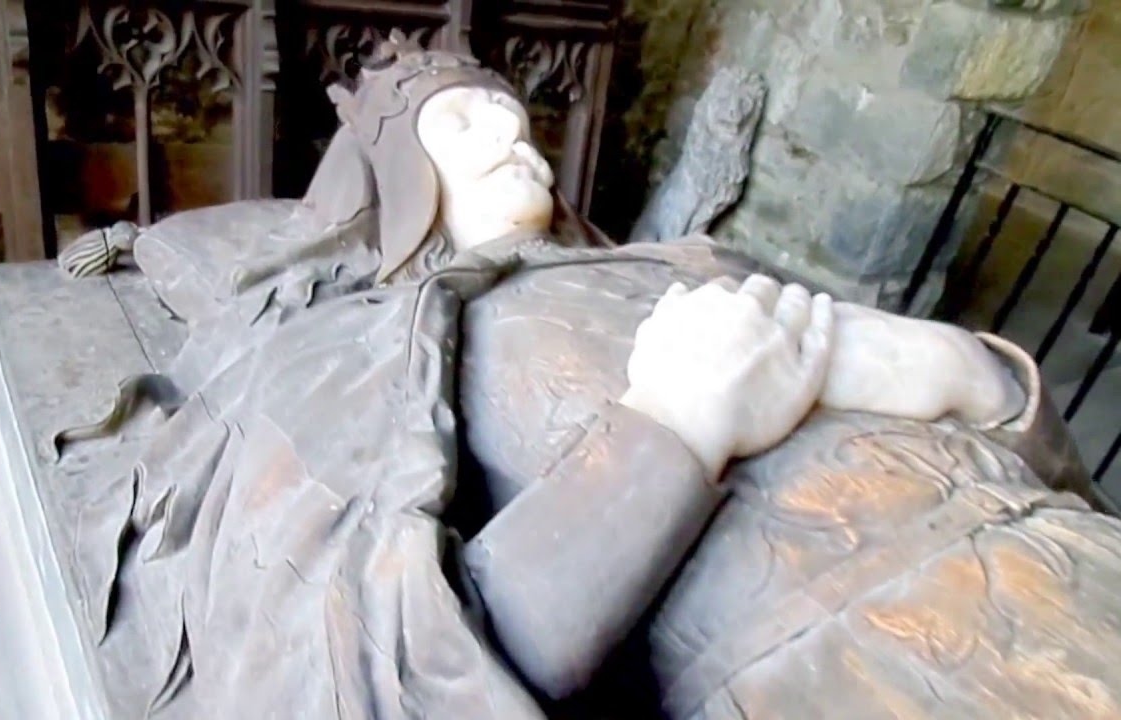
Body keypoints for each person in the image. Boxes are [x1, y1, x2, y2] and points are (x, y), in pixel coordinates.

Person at [56, 40, 1114, 719]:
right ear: (389, 176)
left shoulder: (689, 259)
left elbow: (1054, 471)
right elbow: (379, 670)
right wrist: (672, 429)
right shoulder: (362, 344)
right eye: (461, 123)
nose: (514, 133)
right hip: (878, 669)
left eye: (517, 119)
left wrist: (977, 379)